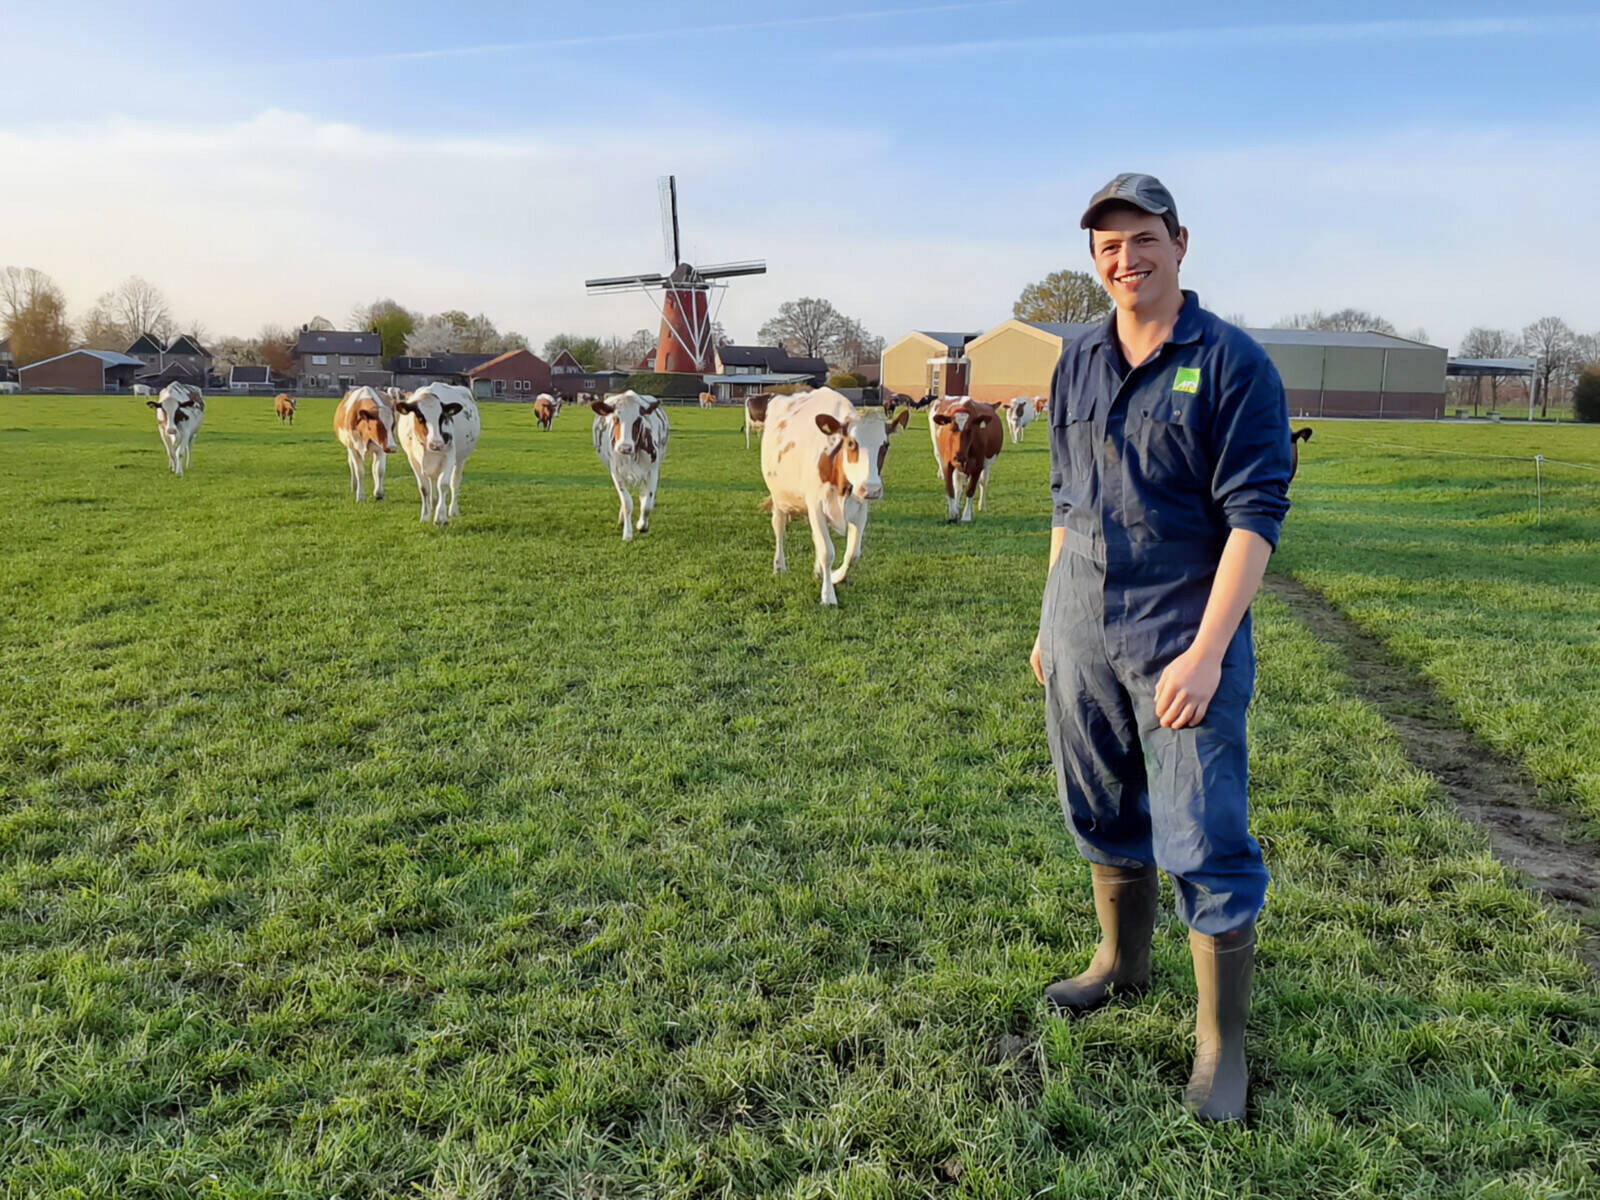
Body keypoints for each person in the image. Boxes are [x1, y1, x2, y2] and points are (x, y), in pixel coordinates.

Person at [1028, 173, 1292, 1123]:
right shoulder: (1078, 362)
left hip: (1184, 624)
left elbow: (1255, 518)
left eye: (1142, 240)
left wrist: (1209, 651)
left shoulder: (1232, 364)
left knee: (1204, 829)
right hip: (1082, 618)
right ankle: (1121, 961)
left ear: (1181, 243)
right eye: (1107, 247)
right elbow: (1066, 500)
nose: (1125, 260)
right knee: (1097, 799)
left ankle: (1222, 1050)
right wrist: (1049, 623)